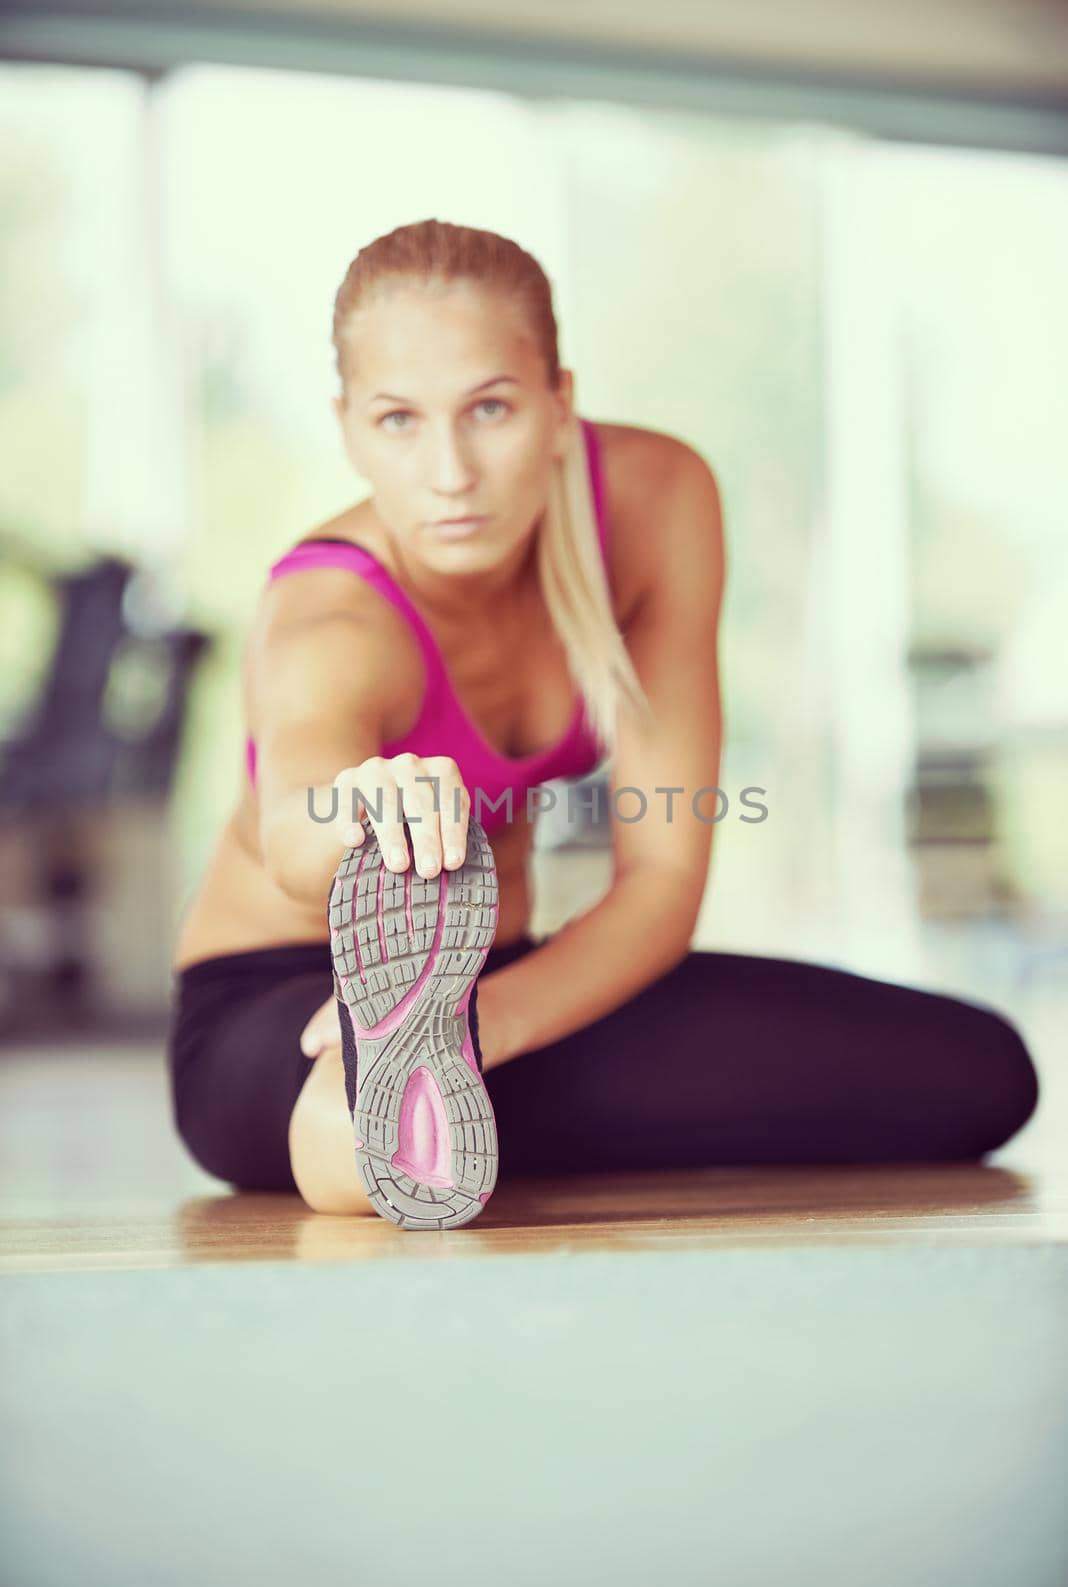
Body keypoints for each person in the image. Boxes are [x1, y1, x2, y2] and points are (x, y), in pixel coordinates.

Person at [167, 218, 1039, 1224]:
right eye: (399, 420)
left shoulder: (657, 498)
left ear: (557, 402)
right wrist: (365, 810)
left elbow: (662, 879)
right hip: (275, 1008)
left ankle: (417, 1102)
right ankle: (365, 1107)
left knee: (975, 1073)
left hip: (508, 987)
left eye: (489, 408)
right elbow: (291, 834)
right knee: (357, 1091)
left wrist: (482, 1023)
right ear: (350, 427)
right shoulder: (332, 613)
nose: (450, 471)